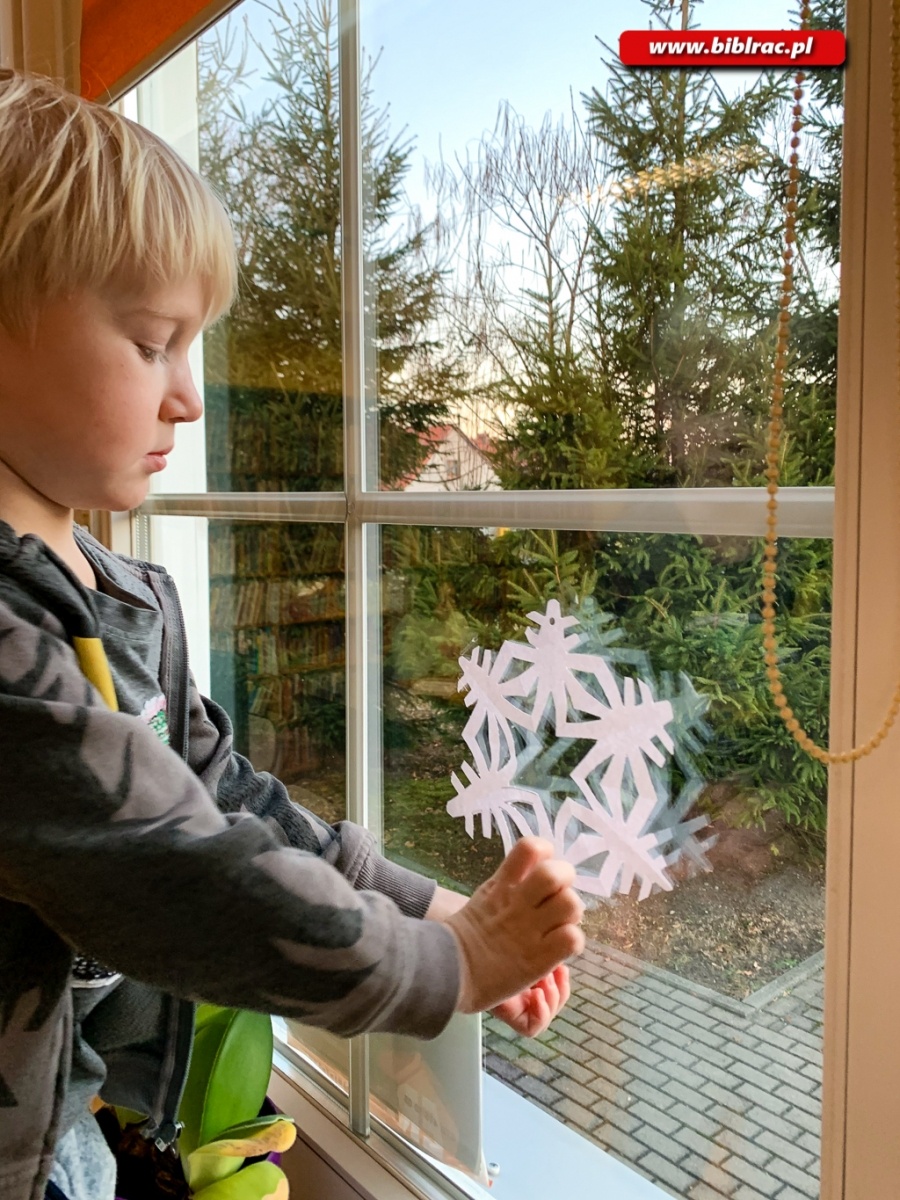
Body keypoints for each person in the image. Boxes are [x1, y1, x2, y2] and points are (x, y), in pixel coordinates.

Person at [0, 69, 585, 1200]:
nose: (190, 399)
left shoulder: (121, 593)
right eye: (154, 341)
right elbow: (181, 873)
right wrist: (447, 967)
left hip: (67, 1124)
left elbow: (229, 797)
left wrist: (429, 904)